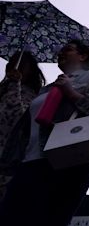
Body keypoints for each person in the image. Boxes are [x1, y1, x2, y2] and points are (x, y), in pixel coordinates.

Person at [0, 40, 89, 226]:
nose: (61, 53)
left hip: (66, 165)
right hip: (29, 164)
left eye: (69, 49)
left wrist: (72, 93)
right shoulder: (47, 88)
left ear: (83, 56)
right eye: (60, 51)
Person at [0, 51, 45, 200]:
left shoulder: (33, 96)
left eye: (19, 63)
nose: (13, 66)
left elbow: (16, 119)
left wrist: (14, 85)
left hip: (6, 165)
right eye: (11, 61)